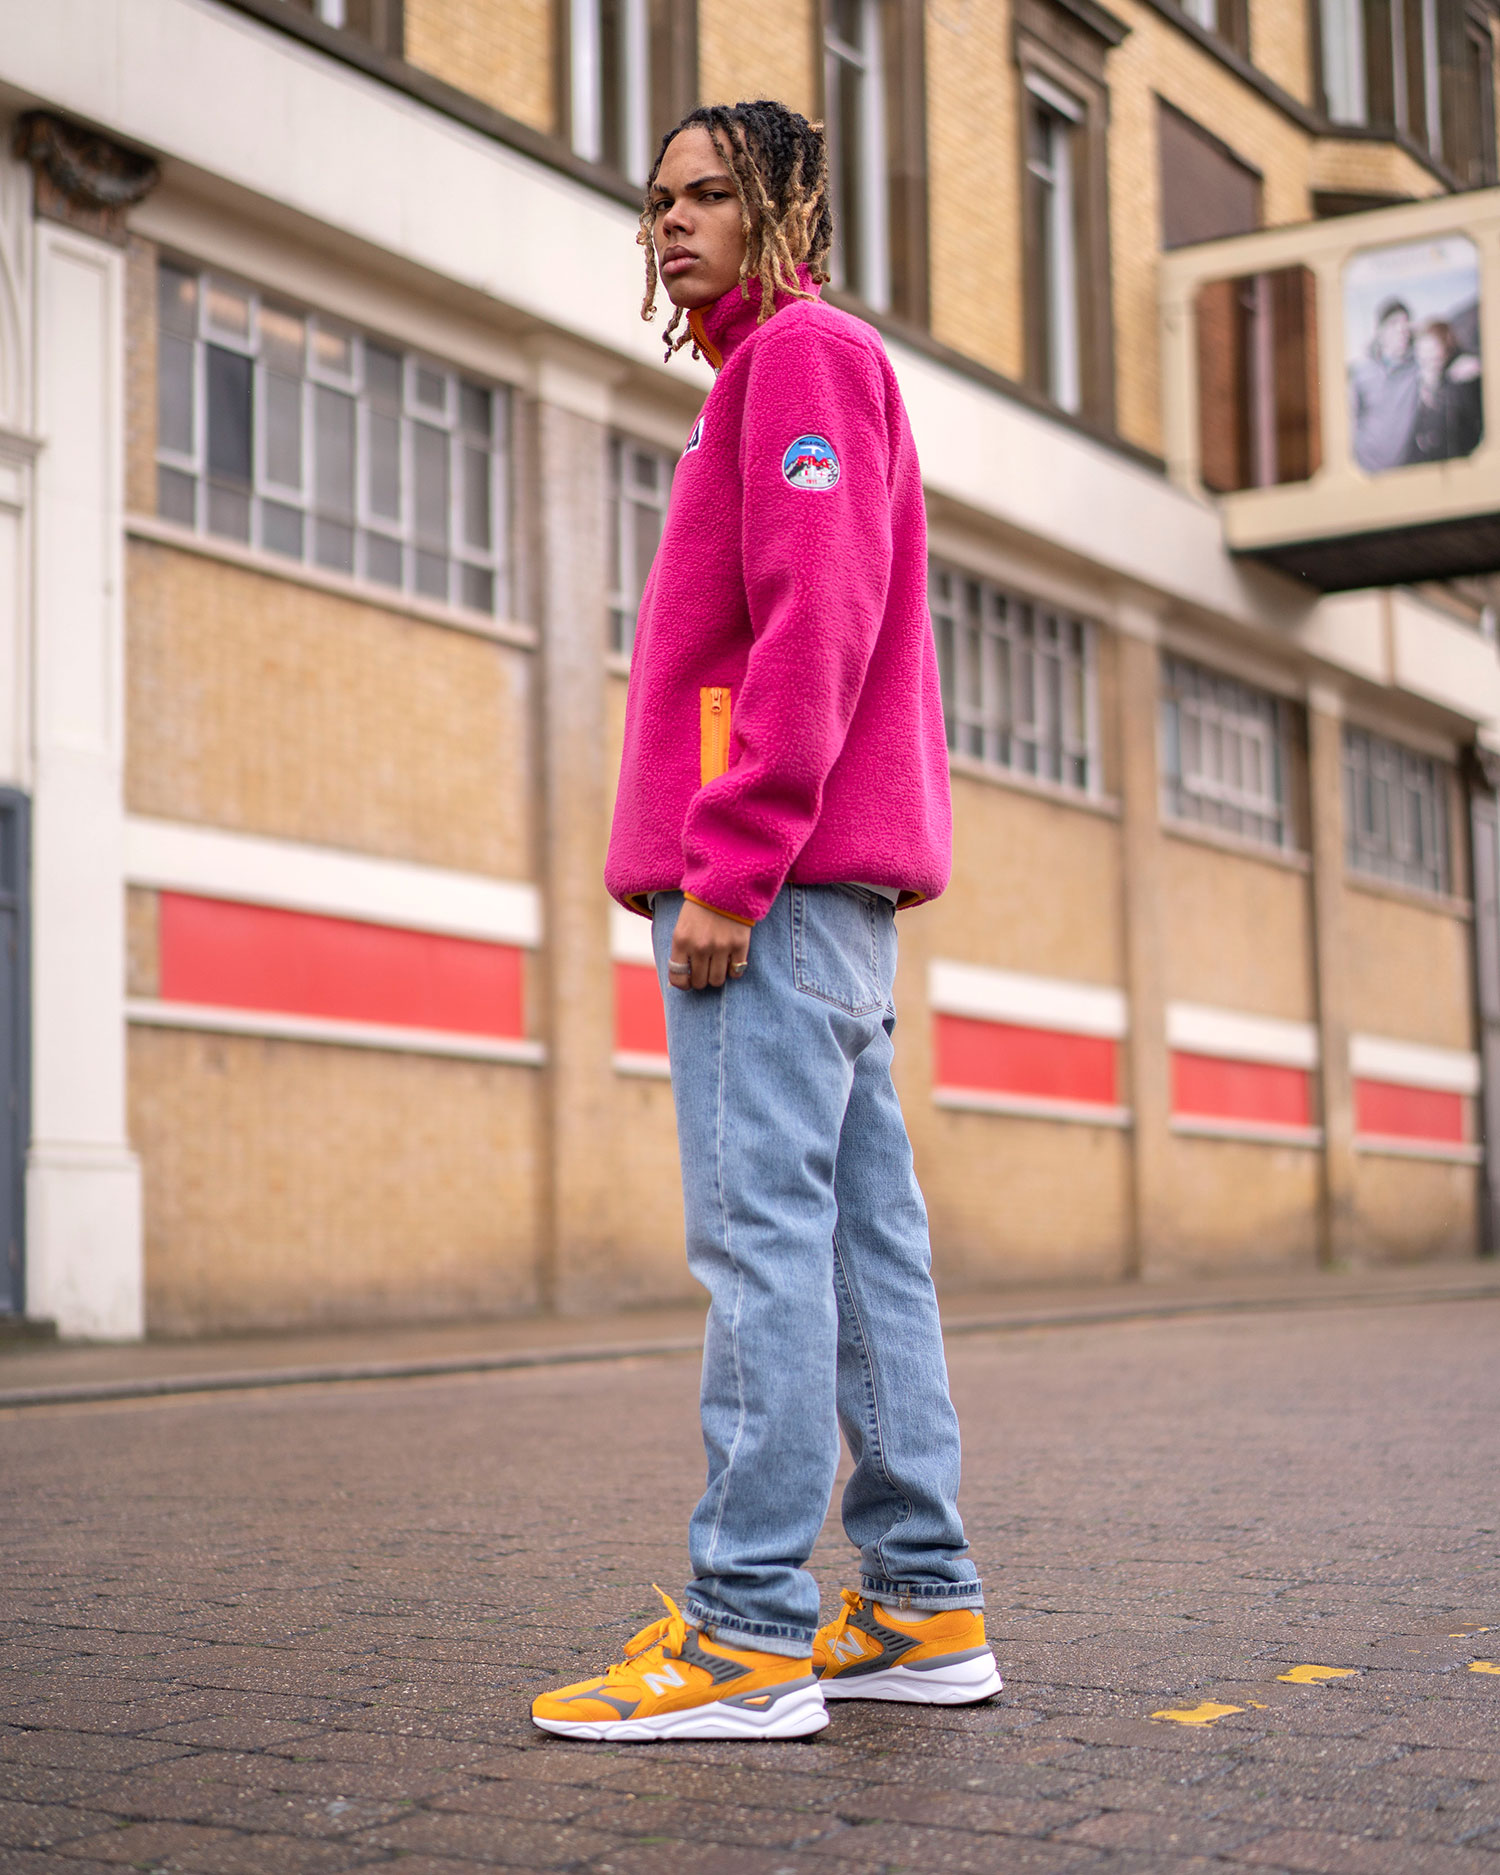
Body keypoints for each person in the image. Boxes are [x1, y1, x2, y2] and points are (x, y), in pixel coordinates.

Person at [530, 99, 999, 1743]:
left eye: (713, 193)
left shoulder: (799, 360)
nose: (674, 220)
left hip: (774, 890)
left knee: (764, 1248)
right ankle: (923, 1602)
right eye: (659, 197)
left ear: (786, 208)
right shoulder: (776, 376)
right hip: (822, 894)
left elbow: (817, 622)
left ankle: (744, 1632)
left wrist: (728, 864)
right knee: (864, 1252)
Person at [1349, 296, 1419, 474]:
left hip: (1406, 470)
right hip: (1365, 470)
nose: (1402, 330)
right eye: (1394, 323)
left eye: (1405, 323)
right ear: (1380, 331)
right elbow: (1350, 419)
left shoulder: (1418, 368)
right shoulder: (1361, 372)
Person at [1406, 317, 1483, 464]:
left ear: (1445, 350)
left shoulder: (1460, 379)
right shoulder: (1410, 387)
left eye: (1434, 349)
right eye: (1423, 350)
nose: (1429, 356)